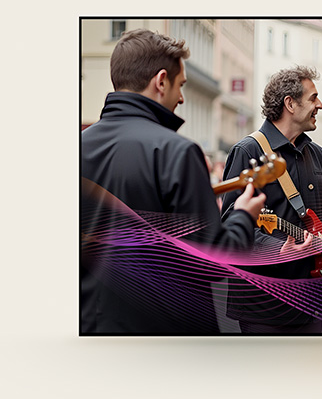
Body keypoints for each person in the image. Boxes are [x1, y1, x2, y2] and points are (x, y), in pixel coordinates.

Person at [81, 28, 266, 335]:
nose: (181, 97)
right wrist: (244, 216)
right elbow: (210, 263)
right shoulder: (177, 151)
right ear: (161, 80)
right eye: (180, 85)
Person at [221, 66, 322, 335]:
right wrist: (277, 250)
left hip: (311, 299)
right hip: (264, 303)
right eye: (313, 98)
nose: (320, 105)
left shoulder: (317, 154)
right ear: (290, 104)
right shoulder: (247, 151)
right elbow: (229, 225)